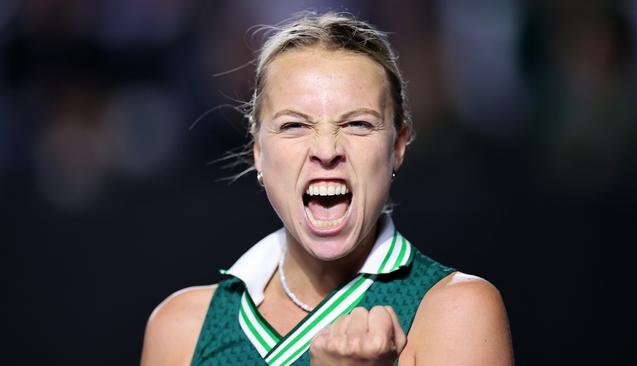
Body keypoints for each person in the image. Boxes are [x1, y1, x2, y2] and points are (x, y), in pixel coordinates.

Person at [140, 12, 513, 366]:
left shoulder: (455, 311)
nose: (327, 150)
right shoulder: (181, 329)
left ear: (398, 146)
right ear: (258, 152)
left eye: (357, 124)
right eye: (294, 126)